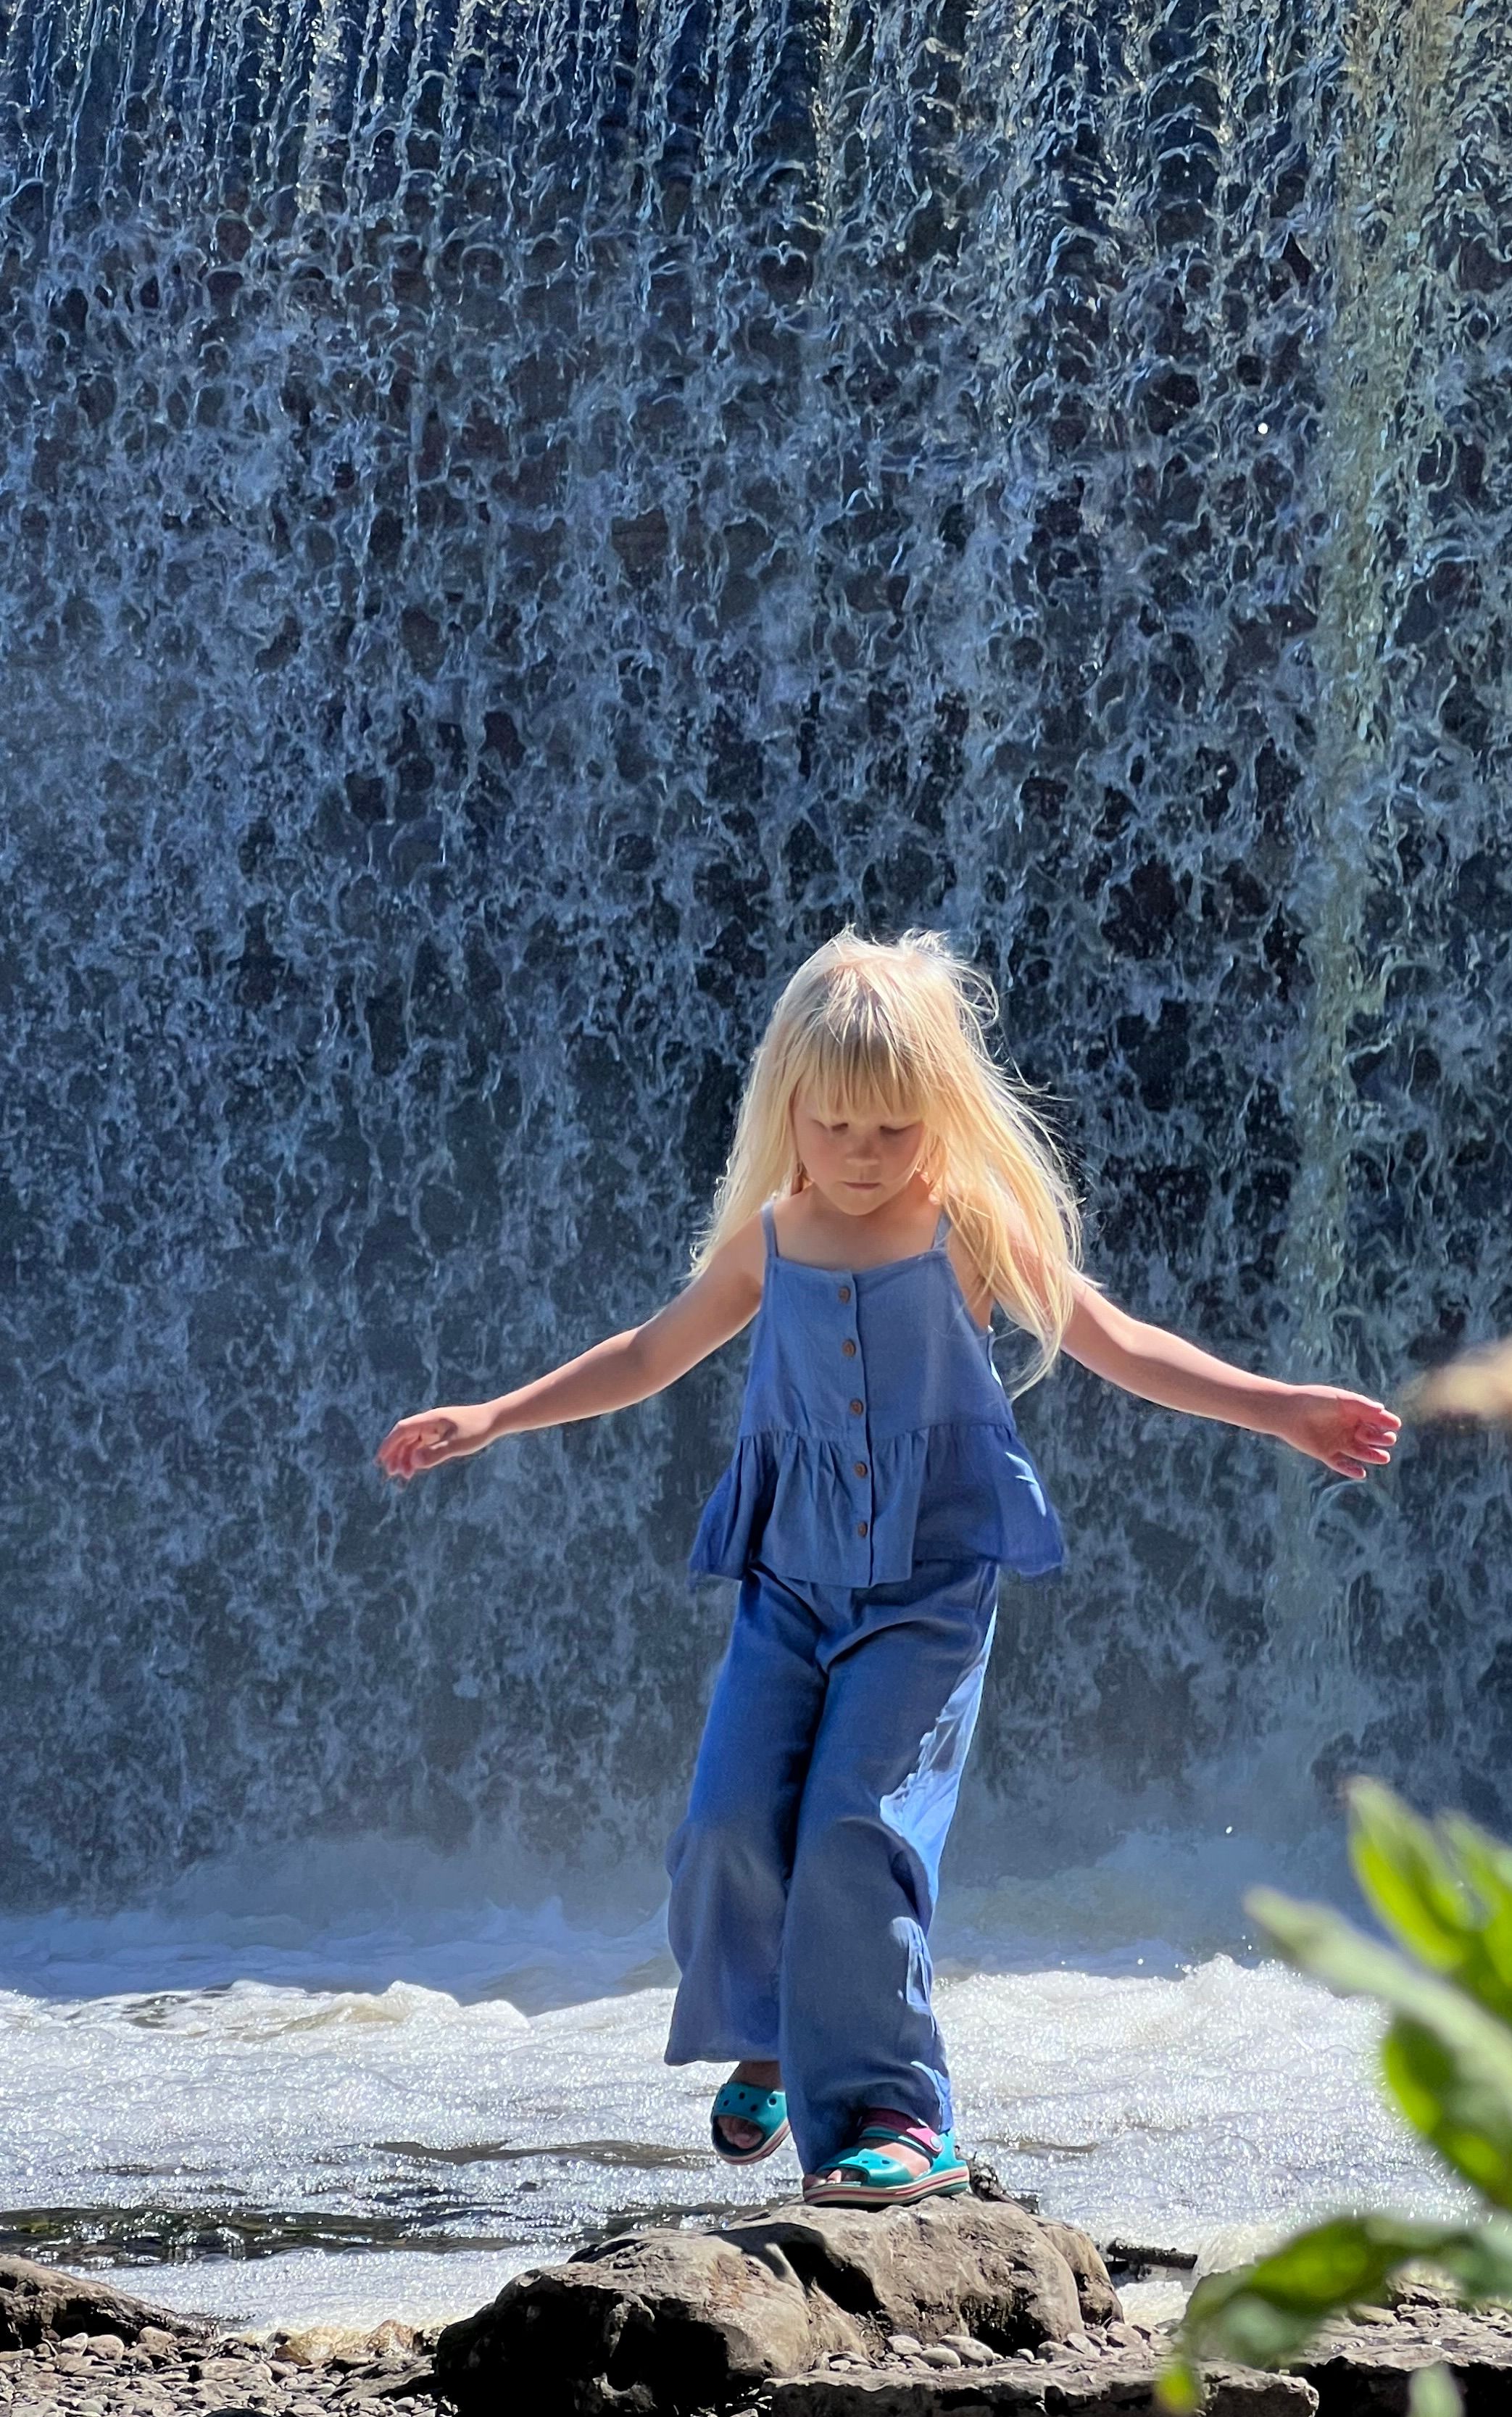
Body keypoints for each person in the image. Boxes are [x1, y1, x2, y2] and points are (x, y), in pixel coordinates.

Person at [378, 930, 1400, 2207]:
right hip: (788, 1589)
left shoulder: (969, 1229)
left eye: (895, 1129)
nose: (864, 1155)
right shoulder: (772, 1236)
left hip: (927, 1589)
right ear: (789, 1112)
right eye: (838, 1125)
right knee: (725, 1828)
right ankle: (774, 2028)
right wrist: (495, 1415)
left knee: (859, 1833)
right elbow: (648, 1355)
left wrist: (1281, 1408)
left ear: (943, 1120)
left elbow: (1118, 1342)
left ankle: (901, 2114)